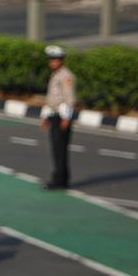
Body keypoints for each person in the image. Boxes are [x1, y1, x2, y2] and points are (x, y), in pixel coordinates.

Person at [41, 45, 75, 190]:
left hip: (62, 116)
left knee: (60, 149)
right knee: (56, 149)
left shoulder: (66, 76)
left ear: (61, 60)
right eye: (51, 59)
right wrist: (45, 116)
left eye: (55, 59)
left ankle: (59, 181)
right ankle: (61, 179)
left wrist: (66, 118)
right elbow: (52, 98)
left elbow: (69, 98)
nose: (52, 62)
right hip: (54, 115)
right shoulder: (55, 75)